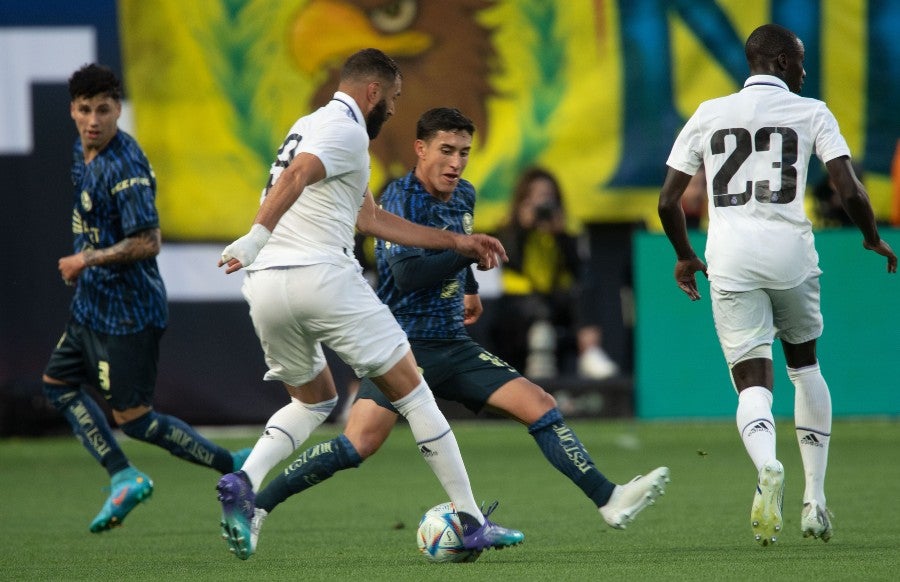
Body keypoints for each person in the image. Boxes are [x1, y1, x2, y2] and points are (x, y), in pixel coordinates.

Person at [237, 107, 670, 554]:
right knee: (358, 444)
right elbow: (405, 274)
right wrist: (463, 254)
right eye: (446, 150)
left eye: (464, 152)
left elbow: (460, 248)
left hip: (454, 344)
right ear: (420, 150)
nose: (456, 162)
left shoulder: (464, 195)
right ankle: (260, 505)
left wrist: (469, 286)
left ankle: (609, 499)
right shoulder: (398, 197)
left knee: (540, 404)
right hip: (403, 348)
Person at [215, 49, 522, 560]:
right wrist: (253, 236)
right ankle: (468, 519)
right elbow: (298, 177)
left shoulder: (309, 123)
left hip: (266, 285)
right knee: (415, 392)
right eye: (395, 98)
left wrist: (457, 243)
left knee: (313, 400)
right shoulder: (346, 129)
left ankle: (246, 481)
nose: (396, 111)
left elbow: (372, 220)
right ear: (373, 93)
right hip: (320, 276)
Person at [657, 24, 897, 546]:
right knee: (805, 366)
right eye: (802, 61)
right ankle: (816, 499)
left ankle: (768, 465)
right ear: (784, 63)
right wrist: (872, 238)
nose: (806, 70)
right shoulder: (812, 112)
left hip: (731, 256)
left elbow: (666, 201)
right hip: (790, 251)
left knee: (752, 381)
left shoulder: (708, 113)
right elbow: (848, 187)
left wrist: (682, 255)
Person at [42, 64, 251, 534]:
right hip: (92, 307)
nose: (93, 120)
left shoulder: (125, 168)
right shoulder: (84, 150)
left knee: (134, 420)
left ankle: (231, 464)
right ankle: (123, 474)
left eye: (103, 110)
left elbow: (148, 241)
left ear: (118, 109)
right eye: (84, 110)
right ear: (73, 111)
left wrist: (86, 260)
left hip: (128, 314)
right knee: (56, 384)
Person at [487, 167, 619, 380]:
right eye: (537, 196)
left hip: (554, 298)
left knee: (585, 290)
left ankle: (590, 351)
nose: (543, 204)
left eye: (548, 196)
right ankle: (538, 358)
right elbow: (509, 261)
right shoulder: (510, 230)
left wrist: (561, 235)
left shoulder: (563, 232)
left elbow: (577, 270)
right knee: (535, 308)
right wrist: (523, 227)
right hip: (519, 302)